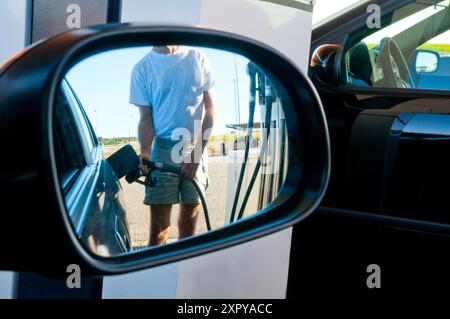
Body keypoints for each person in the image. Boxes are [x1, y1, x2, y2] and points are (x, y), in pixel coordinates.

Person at [129, 45, 216, 246]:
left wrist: (196, 154)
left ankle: (183, 269)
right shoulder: (142, 68)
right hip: (163, 147)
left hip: (195, 145)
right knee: (159, 229)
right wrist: (145, 152)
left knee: (189, 220)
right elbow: (145, 119)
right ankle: (156, 274)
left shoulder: (198, 57)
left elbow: (211, 111)